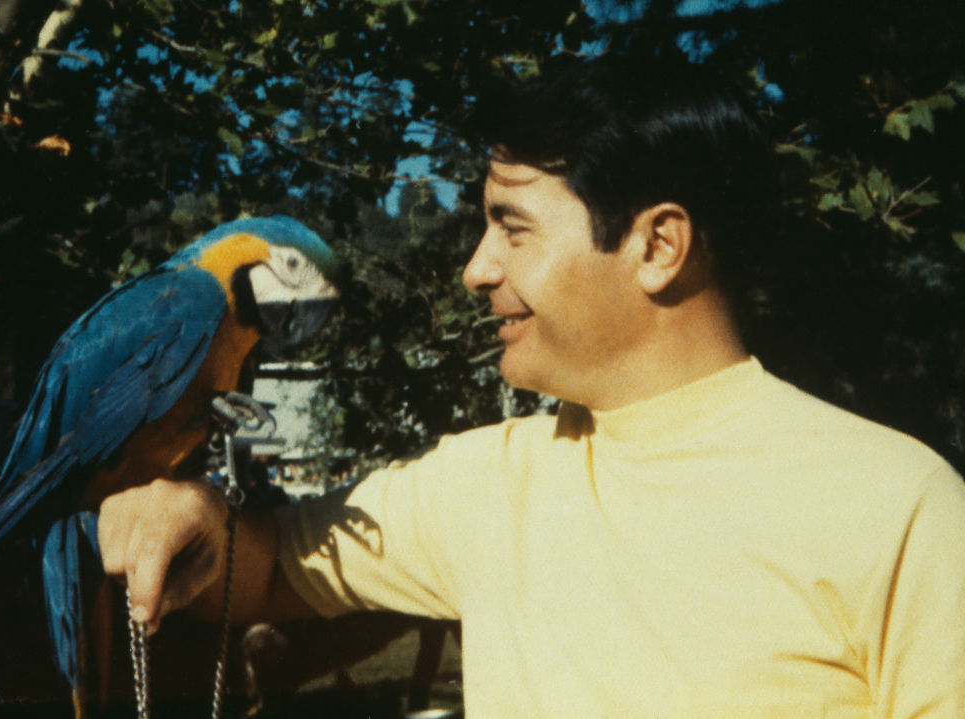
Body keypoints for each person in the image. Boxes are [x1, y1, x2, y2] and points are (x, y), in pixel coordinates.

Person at [98, 56, 965, 717]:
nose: (476, 269)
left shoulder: (901, 506)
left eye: (512, 227)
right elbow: (270, 565)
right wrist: (187, 512)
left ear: (657, 246)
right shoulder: (486, 484)